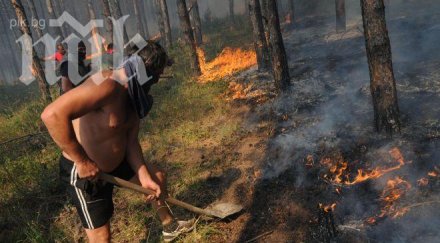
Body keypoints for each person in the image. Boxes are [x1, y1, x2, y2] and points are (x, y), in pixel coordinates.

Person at [41, 41, 194, 242]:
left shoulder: (136, 95)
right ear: (143, 69)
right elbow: (51, 115)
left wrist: (144, 177)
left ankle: (169, 227)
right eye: (156, 74)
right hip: (85, 172)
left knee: (157, 177)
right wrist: (82, 161)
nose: (157, 81)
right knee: (102, 237)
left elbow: (130, 142)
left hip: (118, 161)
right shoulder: (106, 83)